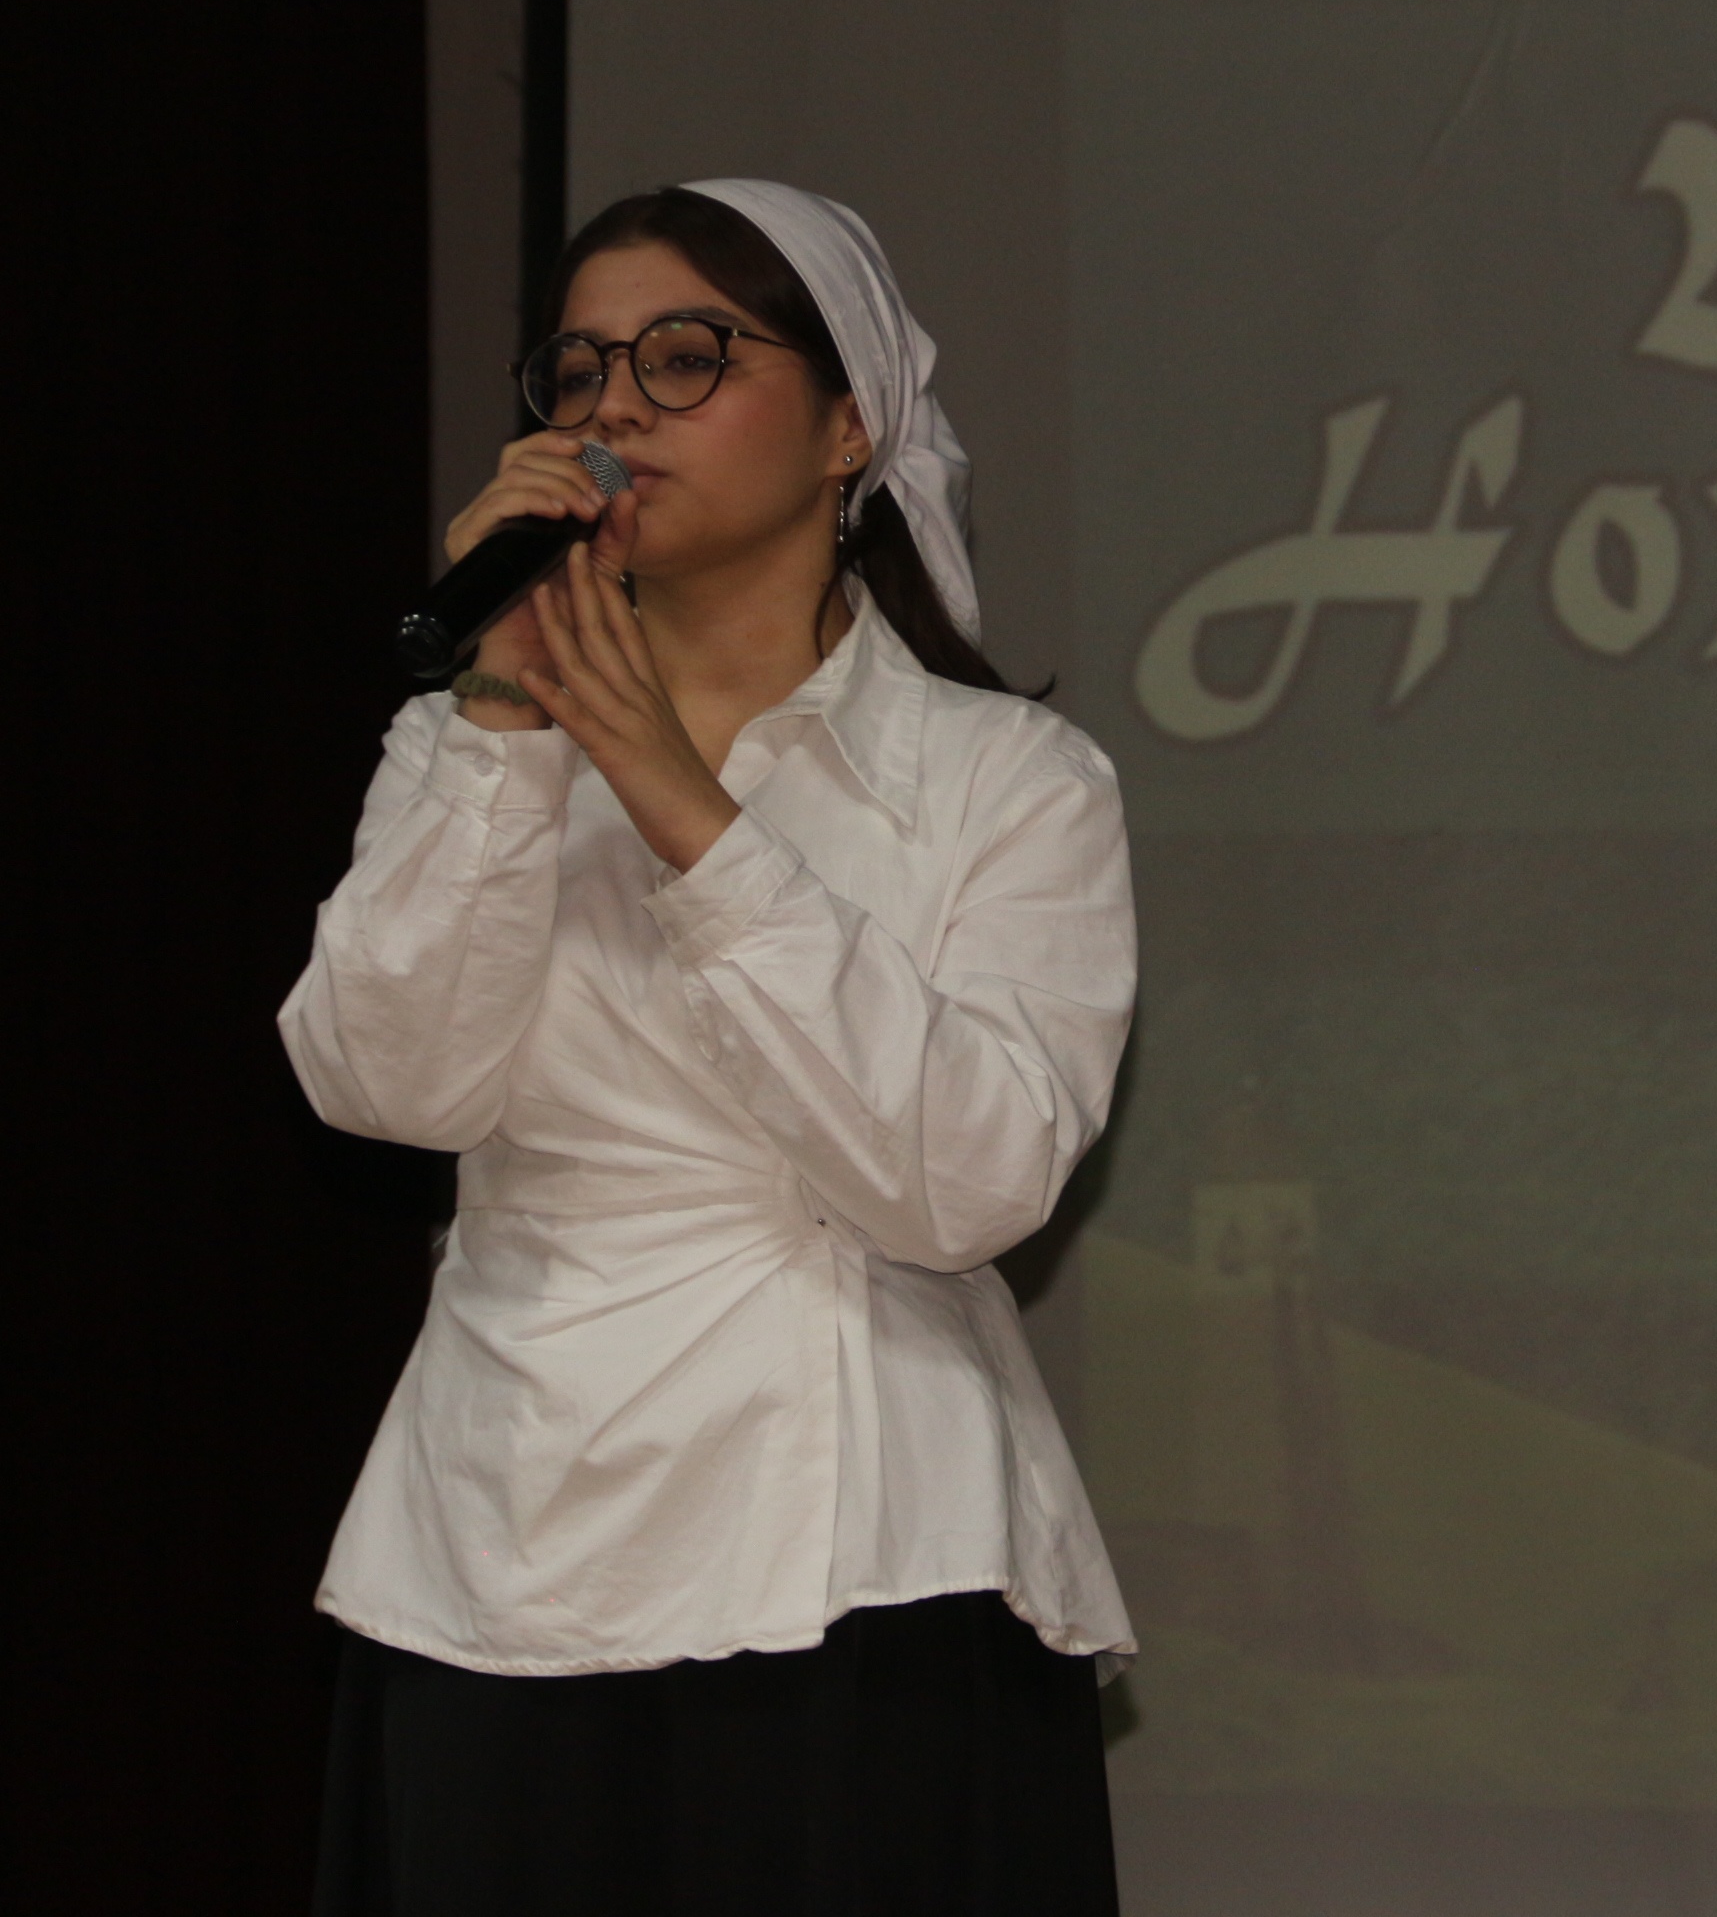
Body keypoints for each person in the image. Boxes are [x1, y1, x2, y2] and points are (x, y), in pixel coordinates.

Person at [279, 181, 1134, 1916]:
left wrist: (687, 808)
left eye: (685, 356)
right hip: (498, 1542)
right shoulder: (467, 744)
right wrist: (505, 726)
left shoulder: (1008, 782)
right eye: (579, 367)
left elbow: (972, 1185)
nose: (614, 408)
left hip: (868, 1557)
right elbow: (382, 1089)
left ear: (848, 429)